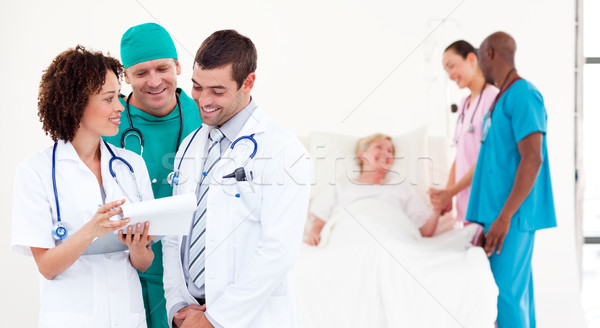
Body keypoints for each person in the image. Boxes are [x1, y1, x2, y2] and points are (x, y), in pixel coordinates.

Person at [162, 30, 311, 328]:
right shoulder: (190, 144)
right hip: (190, 315)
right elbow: (173, 234)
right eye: (196, 87)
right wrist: (178, 305)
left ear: (248, 83)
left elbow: (278, 250)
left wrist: (216, 319)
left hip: (249, 319)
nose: (203, 101)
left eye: (217, 91)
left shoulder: (282, 148)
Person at [11, 45, 155, 327]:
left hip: (128, 318)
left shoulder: (132, 164)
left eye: (119, 96)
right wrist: (92, 230)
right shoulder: (35, 172)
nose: (120, 107)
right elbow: (47, 267)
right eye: (109, 98)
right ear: (76, 104)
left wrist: (138, 248)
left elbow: (144, 262)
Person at [103, 22, 202, 328]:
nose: (154, 81)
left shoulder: (204, 113)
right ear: (126, 76)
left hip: (194, 278)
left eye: (162, 68)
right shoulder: (108, 122)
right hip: (130, 272)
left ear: (178, 66)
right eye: (141, 73)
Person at [467, 31, 557, 327]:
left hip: (512, 218)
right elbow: (497, 164)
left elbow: (533, 158)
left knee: (505, 298)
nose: (479, 64)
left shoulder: (523, 95)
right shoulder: (501, 100)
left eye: (479, 56)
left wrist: (504, 218)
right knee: (514, 295)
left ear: (489, 54)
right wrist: (488, 219)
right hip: (499, 216)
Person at [306, 133, 441, 246]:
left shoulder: (402, 188)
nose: (386, 153)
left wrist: (437, 209)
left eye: (390, 151)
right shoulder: (340, 186)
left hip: (394, 234)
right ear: (362, 155)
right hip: (349, 234)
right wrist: (314, 232)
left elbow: (425, 232)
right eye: (379, 147)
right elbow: (320, 221)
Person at [429, 41, 499, 233]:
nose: (450, 75)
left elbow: (487, 158)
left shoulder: (493, 99)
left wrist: (451, 192)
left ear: (471, 59)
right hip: (467, 206)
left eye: (451, 66)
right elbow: (460, 155)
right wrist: (447, 194)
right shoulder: (463, 104)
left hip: (487, 202)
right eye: (446, 70)